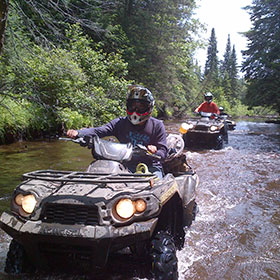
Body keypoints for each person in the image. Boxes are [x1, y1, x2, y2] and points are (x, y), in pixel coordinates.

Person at [67, 85, 168, 178]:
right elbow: (99, 131)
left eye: (141, 106)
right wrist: (79, 133)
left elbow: (163, 152)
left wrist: (155, 151)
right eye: (132, 106)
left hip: (150, 167)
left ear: (149, 107)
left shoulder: (157, 125)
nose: (135, 110)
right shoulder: (119, 123)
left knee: (154, 183)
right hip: (124, 165)